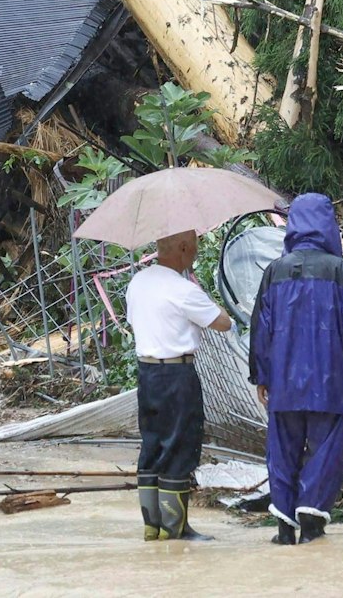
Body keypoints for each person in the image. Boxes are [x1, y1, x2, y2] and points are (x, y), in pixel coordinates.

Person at [248, 193, 343, 545]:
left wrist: (260, 375)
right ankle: (312, 515)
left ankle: (285, 528)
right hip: (330, 381)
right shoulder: (341, 271)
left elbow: (261, 328)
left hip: (284, 384)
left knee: (282, 452)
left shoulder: (274, 272)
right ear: (327, 225)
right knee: (328, 450)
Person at [125, 228, 233, 541]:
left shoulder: (138, 282)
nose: (196, 254)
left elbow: (135, 321)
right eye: (195, 247)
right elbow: (222, 322)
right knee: (180, 444)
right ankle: (176, 529)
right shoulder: (183, 289)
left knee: (153, 443)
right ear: (184, 248)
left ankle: (152, 526)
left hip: (146, 373)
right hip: (177, 375)